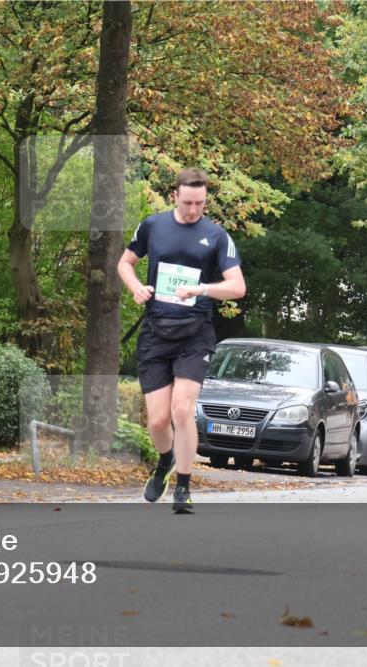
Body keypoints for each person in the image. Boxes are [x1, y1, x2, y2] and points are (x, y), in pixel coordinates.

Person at [116, 168, 246, 514]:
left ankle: (184, 487)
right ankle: (166, 460)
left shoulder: (216, 236)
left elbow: (238, 287)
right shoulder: (153, 225)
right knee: (158, 421)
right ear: (174, 196)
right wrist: (136, 288)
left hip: (195, 334)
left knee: (182, 410)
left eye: (200, 203)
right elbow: (125, 264)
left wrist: (202, 289)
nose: (193, 210)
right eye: (188, 202)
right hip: (156, 332)